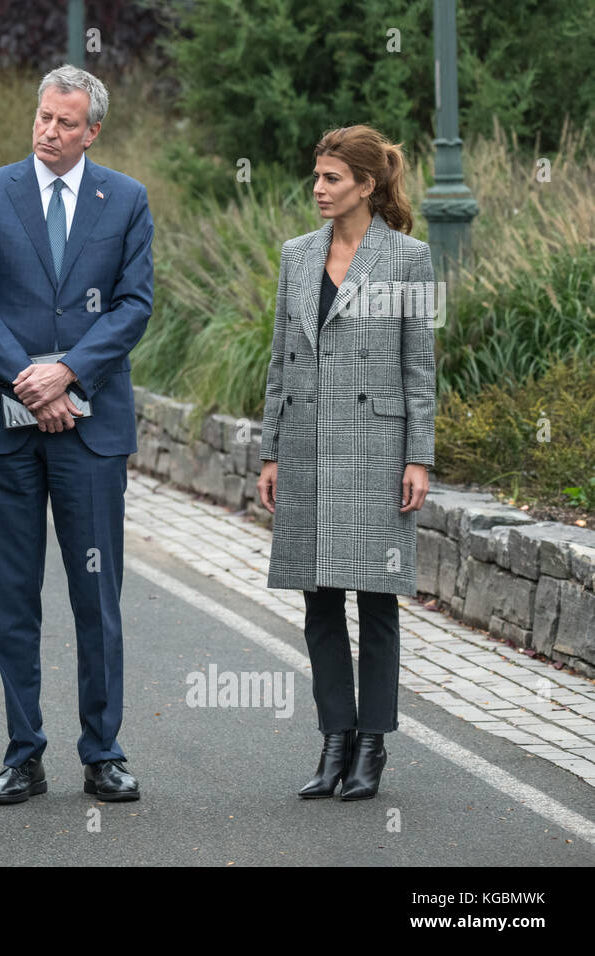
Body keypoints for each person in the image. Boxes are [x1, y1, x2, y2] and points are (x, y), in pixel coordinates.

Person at [0, 65, 153, 805]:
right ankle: (23, 753)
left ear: (92, 129)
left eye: (66, 122)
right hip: (5, 431)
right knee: (13, 597)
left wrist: (67, 374)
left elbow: (133, 306)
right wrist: (31, 384)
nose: (49, 131)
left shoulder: (126, 199)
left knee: (96, 596)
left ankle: (103, 752)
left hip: (91, 431)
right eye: (43, 117)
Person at [256, 125, 435, 801]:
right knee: (318, 598)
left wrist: (418, 456)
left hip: (375, 446)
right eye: (317, 176)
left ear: (366, 184)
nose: (319, 189)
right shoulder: (296, 256)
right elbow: (280, 359)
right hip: (305, 441)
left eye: (333, 178)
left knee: (378, 600)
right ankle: (334, 738)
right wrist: (270, 449)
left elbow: (420, 366)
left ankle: (372, 744)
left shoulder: (409, 259)